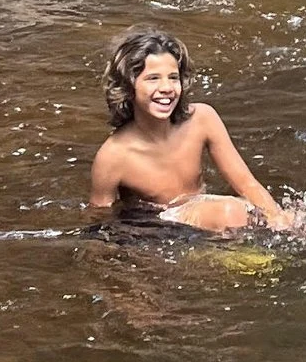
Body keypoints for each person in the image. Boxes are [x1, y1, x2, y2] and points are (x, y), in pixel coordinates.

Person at [88, 27, 294, 232]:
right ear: (127, 87)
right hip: (160, 232)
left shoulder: (202, 119)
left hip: (204, 213)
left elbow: (246, 183)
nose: (167, 87)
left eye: (173, 77)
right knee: (230, 211)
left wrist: (277, 218)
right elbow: (101, 219)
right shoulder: (113, 156)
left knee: (292, 220)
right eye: (153, 78)